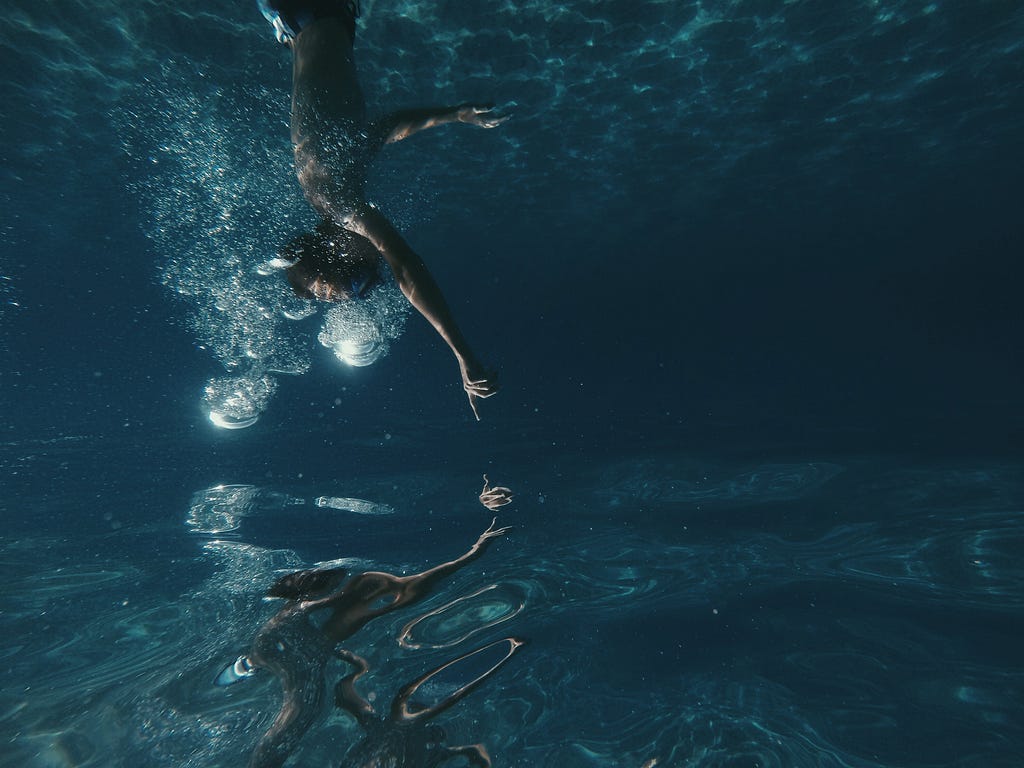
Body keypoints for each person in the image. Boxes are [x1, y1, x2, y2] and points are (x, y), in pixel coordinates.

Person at [258, 0, 509, 419]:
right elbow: (378, 131)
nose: (374, 275)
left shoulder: (340, 205)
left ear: (337, 253)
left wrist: (462, 354)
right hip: (305, 20)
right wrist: (452, 115)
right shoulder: (331, 185)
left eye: (359, 281)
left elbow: (405, 266)